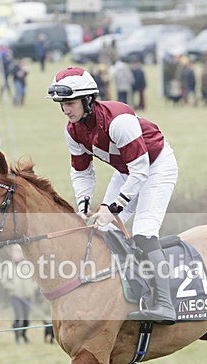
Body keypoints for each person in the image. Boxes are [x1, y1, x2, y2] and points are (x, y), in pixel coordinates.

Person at [47, 67, 179, 323]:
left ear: (88, 99)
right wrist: (83, 207)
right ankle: (127, 289)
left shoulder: (119, 121)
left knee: (143, 232)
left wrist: (114, 208)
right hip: (127, 170)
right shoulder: (72, 130)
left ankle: (165, 304)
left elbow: (140, 171)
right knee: (102, 230)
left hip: (155, 167)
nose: (65, 110)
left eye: (70, 103)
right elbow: (82, 172)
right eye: (62, 104)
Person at [0, 245, 37, 344]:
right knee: (18, 316)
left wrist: (32, 288)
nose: (17, 255)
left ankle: (23, 334)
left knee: (26, 319)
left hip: (27, 296)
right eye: (15, 253)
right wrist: (12, 288)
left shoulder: (28, 265)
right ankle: (17, 338)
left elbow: (35, 279)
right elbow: (4, 280)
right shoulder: (9, 266)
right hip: (15, 296)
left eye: (19, 252)